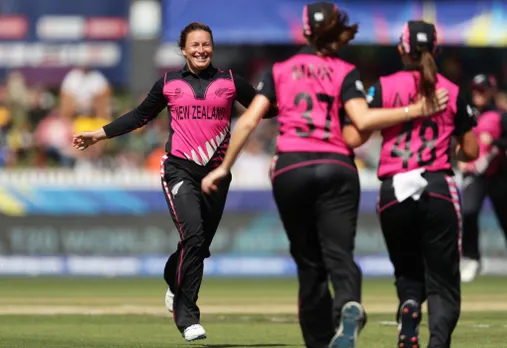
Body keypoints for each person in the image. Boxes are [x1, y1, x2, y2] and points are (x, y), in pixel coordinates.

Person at [201, 5, 449, 348]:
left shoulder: (280, 69)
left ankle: (318, 341)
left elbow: (247, 121)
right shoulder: (345, 71)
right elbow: (362, 120)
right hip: (336, 166)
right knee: (339, 253)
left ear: (304, 32)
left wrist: (224, 167)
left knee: (308, 260)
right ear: (333, 31)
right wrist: (417, 110)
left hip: (291, 167)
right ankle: (348, 302)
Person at [72, 21, 276, 343]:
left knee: (199, 247)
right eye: (194, 45)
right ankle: (187, 318)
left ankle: (172, 281)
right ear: (183, 49)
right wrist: (99, 134)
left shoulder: (231, 81)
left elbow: (266, 111)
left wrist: (275, 92)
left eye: (206, 44)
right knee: (193, 236)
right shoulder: (168, 83)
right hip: (179, 169)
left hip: (217, 174)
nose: (201, 50)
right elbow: (140, 116)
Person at [364, 20, 479, 348]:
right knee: (443, 282)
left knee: (406, 270)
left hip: (394, 188)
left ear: (402, 49)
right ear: (436, 50)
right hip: (437, 185)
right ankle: (437, 342)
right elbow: (471, 150)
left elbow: (356, 131)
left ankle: (410, 306)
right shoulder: (453, 89)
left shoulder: (384, 86)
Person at [458, 74, 507, 283]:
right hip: (474, 174)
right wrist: (460, 158)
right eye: (475, 89)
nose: (478, 93)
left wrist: (495, 146)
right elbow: (457, 137)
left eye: (482, 89)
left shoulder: (500, 115)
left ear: (491, 91)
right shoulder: (468, 114)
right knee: (468, 213)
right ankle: (471, 257)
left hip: (498, 174)